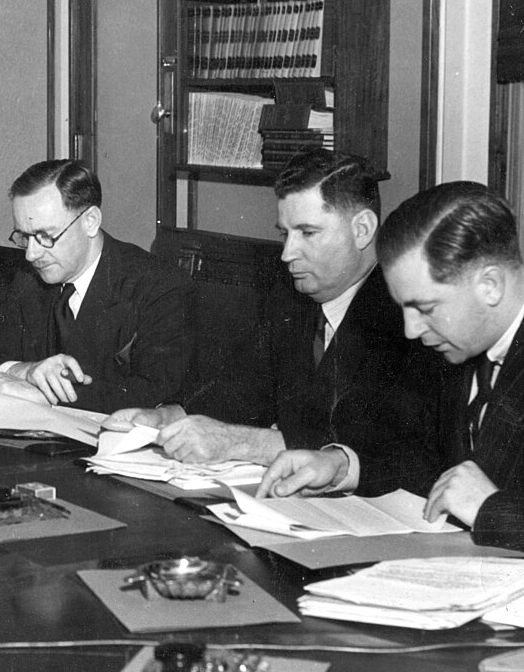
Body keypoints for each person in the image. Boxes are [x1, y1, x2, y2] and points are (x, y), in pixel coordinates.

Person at [105, 150, 445, 495]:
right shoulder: (292, 293)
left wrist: (244, 443)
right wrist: (172, 418)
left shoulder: (412, 318)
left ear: (362, 230)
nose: (287, 254)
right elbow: (244, 388)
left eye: (307, 233)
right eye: (285, 234)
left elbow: (373, 445)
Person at [260, 182, 524, 549]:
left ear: (490, 285)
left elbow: (477, 494)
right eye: (404, 308)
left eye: (426, 308)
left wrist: (490, 510)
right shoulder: (460, 351)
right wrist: (343, 466)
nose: (411, 330)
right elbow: (434, 467)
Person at [0, 159, 191, 411]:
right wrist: (24, 371)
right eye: (24, 237)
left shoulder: (158, 285)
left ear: (90, 221)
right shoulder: (30, 279)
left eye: (45, 236)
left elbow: (158, 396)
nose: (31, 254)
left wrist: (42, 395)